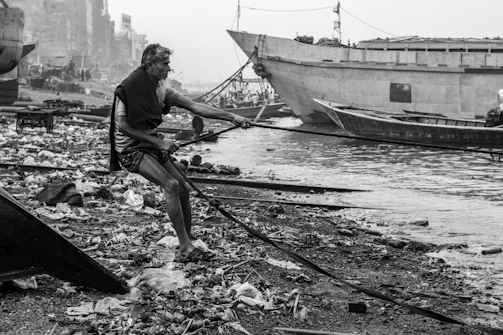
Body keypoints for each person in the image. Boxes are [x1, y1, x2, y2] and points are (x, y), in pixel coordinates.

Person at [109, 43, 251, 262]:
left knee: (183, 187)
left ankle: (187, 241)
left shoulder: (161, 88)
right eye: (165, 64)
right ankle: (185, 246)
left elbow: (196, 107)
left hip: (151, 144)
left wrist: (233, 117)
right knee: (171, 185)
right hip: (129, 148)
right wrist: (159, 143)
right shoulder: (128, 88)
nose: (168, 69)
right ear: (150, 65)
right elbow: (124, 127)